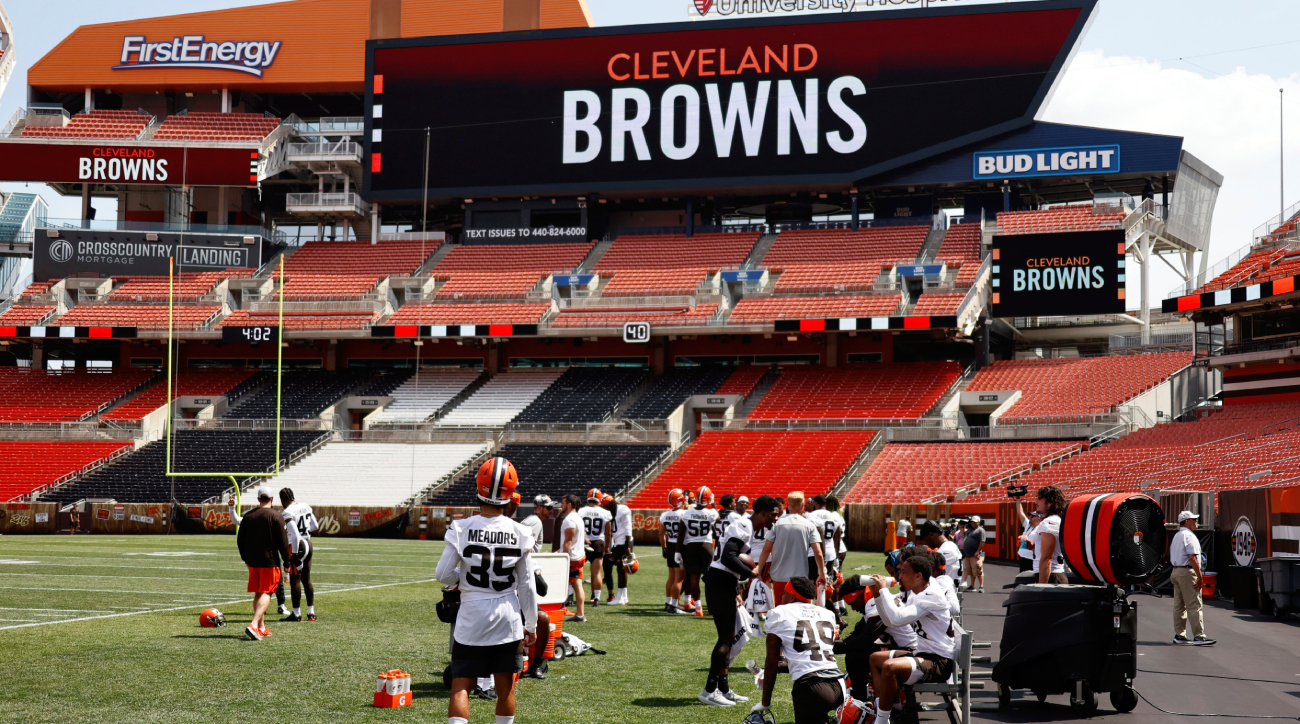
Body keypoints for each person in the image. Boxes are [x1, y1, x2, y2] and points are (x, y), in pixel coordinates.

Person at [435, 457, 538, 724]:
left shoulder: (462, 527)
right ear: (510, 494)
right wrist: (532, 624)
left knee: (461, 685)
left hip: (471, 615)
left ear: (479, 487)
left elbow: (442, 574)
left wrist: (462, 578)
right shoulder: (521, 532)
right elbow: (527, 585)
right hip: (507, 614)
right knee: (505, 686)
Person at [700, 495, 781, 707]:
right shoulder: (744, 524)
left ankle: (723, 688)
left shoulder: (746, 525)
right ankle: (709, 690)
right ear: (762, 512)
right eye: (774, 514)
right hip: (720, 580)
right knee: (725, 639)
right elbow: (728, 556)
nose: (776, 517)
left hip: (725, 581)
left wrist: (737, 584)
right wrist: (750, 573)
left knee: (730, 636)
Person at [865, 555, 958, 724]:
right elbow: (890, 620)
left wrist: (884, 590)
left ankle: (881, 720)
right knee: (875, 659)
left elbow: (897, 618)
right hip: (923, 653)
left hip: (939, 661)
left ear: (918, 576)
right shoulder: (918, 593)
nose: (899, 576)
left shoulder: (931, 595)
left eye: (904, 572)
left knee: (889, 667)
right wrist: (877, 595)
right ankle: (886, 710)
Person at [752, 577, 847, 724]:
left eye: (784, 593)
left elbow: (772, 660)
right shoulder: (827, 613)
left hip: (811, 687)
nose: (781, 596)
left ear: (791, 596)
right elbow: (810, 655)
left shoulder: (779, 613)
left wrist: (765, 702)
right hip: (839, 684)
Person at [235, 486, 291, 641]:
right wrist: (287, 561)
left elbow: (240, 540)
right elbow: (283, 541)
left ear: (259, 499)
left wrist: (245, 559)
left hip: (253, 561)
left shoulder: (248, 516)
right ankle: (254, 624)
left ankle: (261, 627)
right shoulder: (276, 515)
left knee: (259, 592)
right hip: (270, 560)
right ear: (272, 499)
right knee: (267, 592)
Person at [756, 491, 825, 607]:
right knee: (802, 609)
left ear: (787, 504)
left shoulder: (777, 524)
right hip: (800, 575)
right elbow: (818, 552)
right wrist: (822, 573)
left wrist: (759, 570)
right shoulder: (809, 525)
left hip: (779, 574)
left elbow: (766, 550)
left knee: (779, 609)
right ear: (802, 505)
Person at [1171, 511, 1215, 645]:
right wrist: (1200, 577)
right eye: (1193, 519)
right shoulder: (1189, 536)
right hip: (1187, 572)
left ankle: (1180, 635)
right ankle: (1199, 636)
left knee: (1179, 606)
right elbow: (1193, 558)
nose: (1196, 521)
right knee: (1194, 605)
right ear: (1186, 521)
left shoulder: (1177, 535)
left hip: (1176, 571)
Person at [278, 487, 319, 622]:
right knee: (306, 579)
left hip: (298, 545)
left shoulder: (287, 511)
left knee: (295, 579)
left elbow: (295, 535)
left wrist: (294, 554)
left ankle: (296, 614)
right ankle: (311, 613)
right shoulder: (305, 506)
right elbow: (315, 526)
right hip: (308, 542)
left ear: (283, 500)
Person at [679, 486, 720, 617]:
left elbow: (681, 534)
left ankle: (698, 609)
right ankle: (713, 609)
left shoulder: (686, 513)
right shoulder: (711, 513)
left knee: (694, 578)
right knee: (710, 579)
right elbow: (718, 518)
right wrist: (713, 503)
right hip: (706, 546)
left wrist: (677, 551)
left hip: (691, 547)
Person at [579, 488, 613, 607]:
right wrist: (607, 547)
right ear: (599, 499)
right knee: (597, 572)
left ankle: (572, 597)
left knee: (578, 572)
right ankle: (597, 599)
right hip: (598, 542)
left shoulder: (581, 511)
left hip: (584, 542)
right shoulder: (605, 513)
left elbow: (578, 528)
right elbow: (608, 533)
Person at [558, 494, 588, 622]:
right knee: (577, 585)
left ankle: (567, 610)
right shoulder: (578, 518)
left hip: (572, 557)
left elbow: (569, 541)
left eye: (563, 503)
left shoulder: (570, 519)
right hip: (578, 555)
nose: (561, 505)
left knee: (565, 585)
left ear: (569, 504)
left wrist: (564, 555)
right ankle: (579, 613)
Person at [1030, 485, 1068, 585]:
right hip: (1051, 575)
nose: (1036, 502)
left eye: (1040, 499)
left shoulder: (1050, 522)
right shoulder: (1052, 521)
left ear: (1050, 503)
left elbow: (1047, 558)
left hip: (1052, 576)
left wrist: (1042, 587)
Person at [660, 488, 689, 614]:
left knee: (671, 577)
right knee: (679, 579)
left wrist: (664, 547)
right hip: (680, 547)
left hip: (670, 546)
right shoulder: (685, 514)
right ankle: (674, 606)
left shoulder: (664, 515)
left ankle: (668, 603)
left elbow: (661, 534)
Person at [602, 493, 634, 606]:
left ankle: (620, 597)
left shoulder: (622, 509)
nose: (605, 508)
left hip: (624, 542)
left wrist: (628, 545)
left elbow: (628, 528)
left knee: (621, 570)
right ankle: (624, 597)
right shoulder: (612, 511)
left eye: (606, 506)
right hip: (618, 542)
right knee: (621, 569)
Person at [1014, 503, 1042, 573]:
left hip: (1032, 559)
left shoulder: (1041, 528)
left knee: (1030, 579)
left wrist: (1032, 545)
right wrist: (1018, 499)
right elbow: (1020, 512)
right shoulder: (1028, 525)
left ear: (1038, 518)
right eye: (1030, 516)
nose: (1030, 517)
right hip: (1023, 557)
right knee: (1022, 578)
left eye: (1032, 516)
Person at [961, 517, 985, 593]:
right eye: (972, 522)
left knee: (978, 570)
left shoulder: (980, 530)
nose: (973, 523)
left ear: (979, 522)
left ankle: (981, 586)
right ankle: (972, 586)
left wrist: (978, 551)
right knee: (970, 571)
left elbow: (982, 542)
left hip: (975, 554)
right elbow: (963, 536)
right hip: (968, 554)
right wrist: (962, 528)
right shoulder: (970, 530)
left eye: (974, 522)